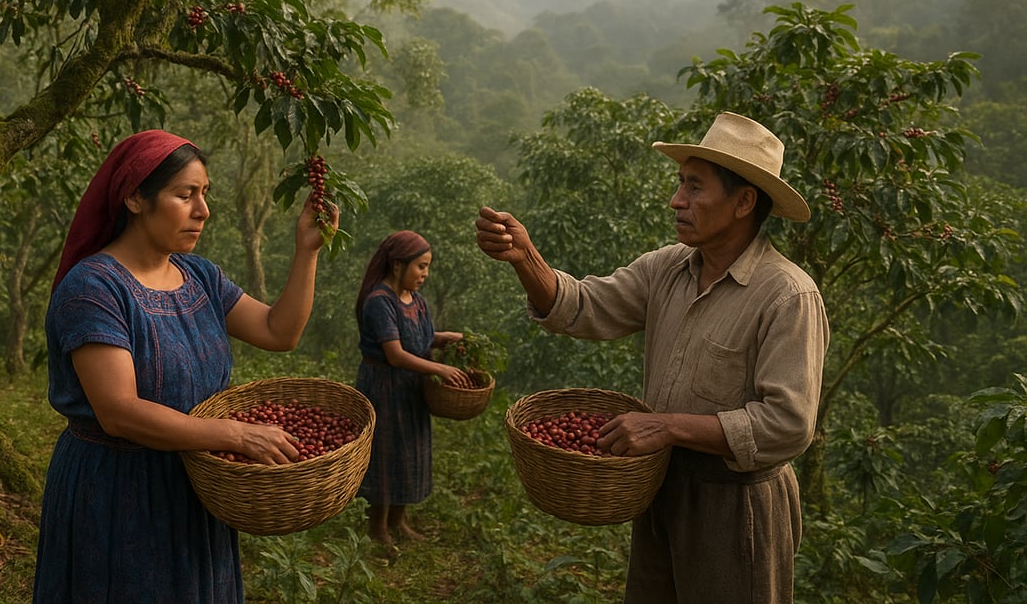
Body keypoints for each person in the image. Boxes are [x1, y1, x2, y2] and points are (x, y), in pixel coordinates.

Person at [475, 112, 829, 604]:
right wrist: (525, 258)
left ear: (744, 201)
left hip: (737, 506)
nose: (676, 201)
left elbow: (788, 424)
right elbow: (582, 306)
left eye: (695, 188)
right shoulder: (668, 268)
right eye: (680, 184)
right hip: (661, 489)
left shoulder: (786, 295)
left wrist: (667, 427)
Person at [33, 129, 337, 604]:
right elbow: (119, 411)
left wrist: (307, 250)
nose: (202, 210)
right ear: (135, 197)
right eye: (185, 195)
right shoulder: (93, 288)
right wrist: (238, 436)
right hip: (117, 491)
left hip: (195, 484)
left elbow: (280, 332)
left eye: (204, 194)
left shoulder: (199, 276)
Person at [353, 230, 473, 547]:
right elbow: (395, 353)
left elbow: (420, 336)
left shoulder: (415, 300)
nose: (425, 274)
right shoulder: (379, 302)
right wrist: (440, 368)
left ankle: (399, 521)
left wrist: (447, 338)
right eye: (420, 266)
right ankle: (377, 527)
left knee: (409, 453)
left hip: (410, 387)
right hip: (383, 388)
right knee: (385, 455)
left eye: (427, 266)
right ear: (396, 265)